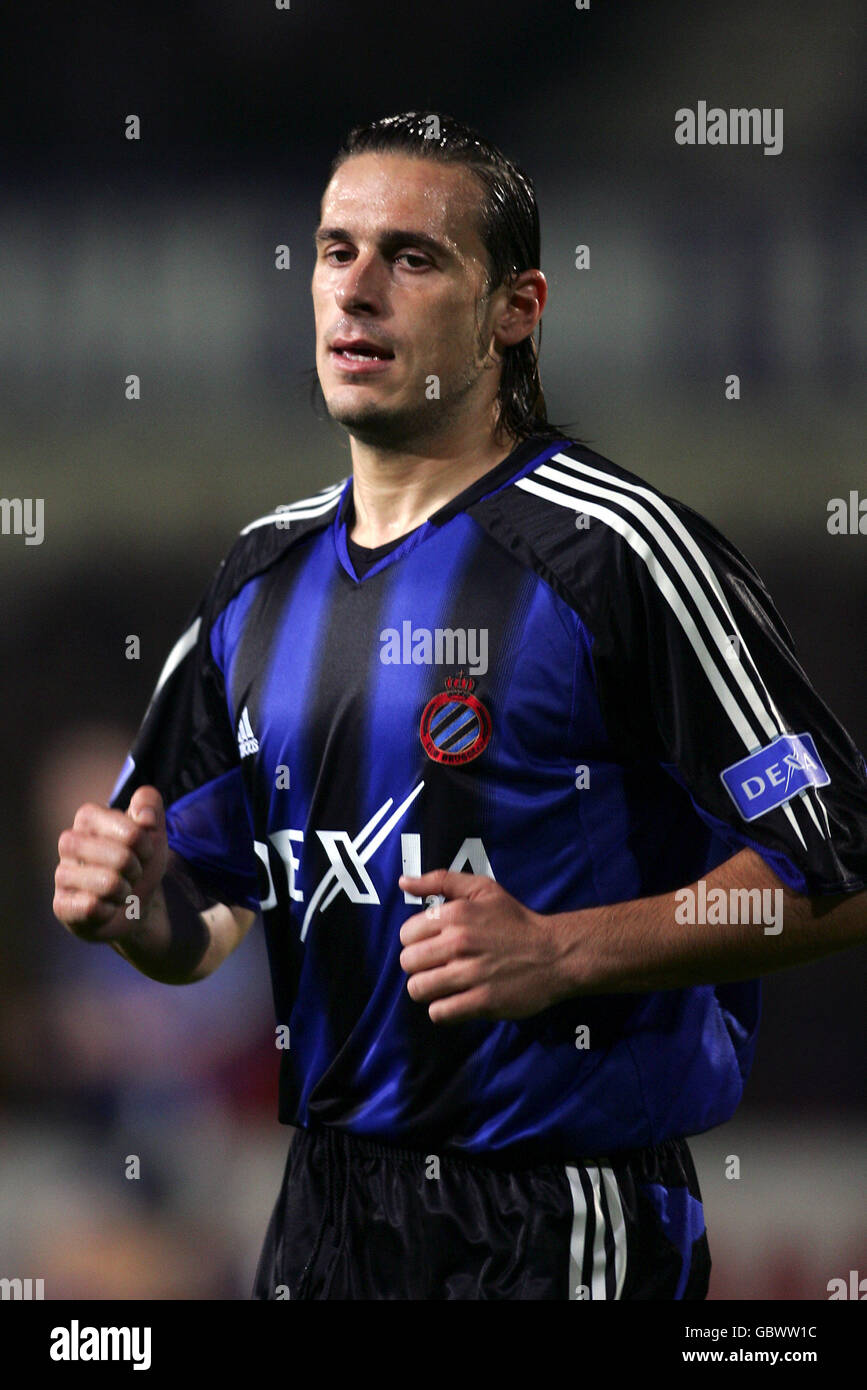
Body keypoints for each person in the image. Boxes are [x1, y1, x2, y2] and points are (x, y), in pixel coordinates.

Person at [53, 111, 867, 1301]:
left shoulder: (617, 554)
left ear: (517, 310)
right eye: (337, 251)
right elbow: (211, 911)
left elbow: (841, 868)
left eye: (413, 256)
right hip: (326, 1210)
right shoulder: (260, 577)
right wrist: (134, 912)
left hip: (561, 1209)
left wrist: (562, 951)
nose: (360, 289)